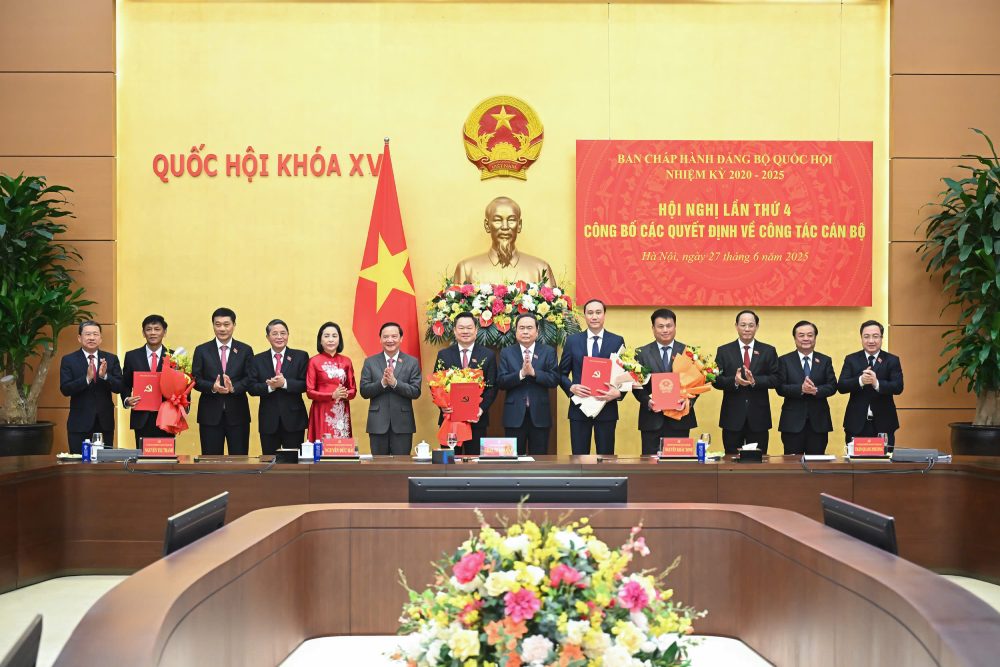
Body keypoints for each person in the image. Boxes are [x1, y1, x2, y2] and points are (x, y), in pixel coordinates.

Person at [558, 299, 625, 455]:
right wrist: (571, 387)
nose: (594, 317)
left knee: (606, 458)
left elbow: (624, 374)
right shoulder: (572, 341)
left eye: (598, 312)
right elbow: (560, 373)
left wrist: (619, 393)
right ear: (585, 316)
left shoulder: (617, 341)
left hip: (606, 408)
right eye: (590, 313)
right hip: (579, 408)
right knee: (579, 458)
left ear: (604, 315)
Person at [632, 308, 699, 456]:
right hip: (652, 420)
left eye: (669, 326)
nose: (665, 330)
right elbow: (636, 386)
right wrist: (647, 401)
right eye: (660, 326)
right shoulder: (641, 353)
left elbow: (696, 384)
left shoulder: (688, 352)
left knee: (678, 464)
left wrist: (688, 402)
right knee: (650, 464)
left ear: (675, 327)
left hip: (680, 419)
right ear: (653, 328)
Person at [713, 310, 779, 454]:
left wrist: (755, 381)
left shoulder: (768, 350)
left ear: (757, 327)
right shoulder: (724, 351)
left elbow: (776, 378)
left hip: (759, 418)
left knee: (758, 461)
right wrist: (734, 381)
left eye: (751, 325)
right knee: (730, 460)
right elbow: (715, 380)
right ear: (736, 326)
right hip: (732, 418)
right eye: (743, 325)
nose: (747, 329)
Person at [452, 196, 557, 285]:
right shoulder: (466, 269)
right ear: (487, 225)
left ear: (519, 225)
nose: (505, 227)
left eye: (511, 220)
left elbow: (555, 303)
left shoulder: (540, 269)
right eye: (497, 220)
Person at [192, 307, 254, 455]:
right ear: (213, 325)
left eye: (226, 324)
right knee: (211, 460)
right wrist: (212, 387)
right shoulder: (202, 350)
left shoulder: (245, 350)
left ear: (234, 325)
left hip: (238, 415)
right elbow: (195, 379)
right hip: (210, 415)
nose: (222, 328)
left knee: (239, 460)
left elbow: (250, 378)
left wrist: (234, 388)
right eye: (218, 324)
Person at [433, 312, 497, 455]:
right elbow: (436, 385)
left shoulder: (488, 355)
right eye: (461, 328)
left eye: (469, 328)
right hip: (450, 420)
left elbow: (492, 387)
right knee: (448, 462)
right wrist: (443, 407)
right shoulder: (444, 355)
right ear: (455, 331)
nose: (465, 331)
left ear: (476, 330)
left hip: (476, 421)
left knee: (475, 462)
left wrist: (481, 409)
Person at [497, 313, 560, 455]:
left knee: (539, 461)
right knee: (512, 460)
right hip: (513, 416)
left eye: (529, 328)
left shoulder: (548, 351)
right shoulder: (506, 352)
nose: (525, 331)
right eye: (522, 328)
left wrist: (534, 373)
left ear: (537, 332)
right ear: (516, 331)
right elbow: (501, 381)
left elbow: (554, 379)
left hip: (540, 416)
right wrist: (521, 374)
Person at [838, 320, 904, 451]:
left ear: (881, 338)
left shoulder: (892, 360)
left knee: (883, 461)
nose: (871, 341)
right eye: (866, 336)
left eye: (875, 336)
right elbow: (841, 386)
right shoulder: (851, 359)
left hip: (884, 424)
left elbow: (898, 387)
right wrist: (860, 381)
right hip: (856, 424)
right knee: (856, 462)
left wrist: (876, 383)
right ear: (861, 338)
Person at [59, 320, 123, 454]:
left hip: (104, 423)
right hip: (79, 423)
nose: (92, 338)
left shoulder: (111, 359)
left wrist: (105, 376)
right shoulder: (69, 360)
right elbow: (65, 389)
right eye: (88, 334)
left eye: (95, 334)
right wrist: (86, 379)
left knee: (104, 463)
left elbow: (119, 387)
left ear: (101, 338)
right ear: (79, 338)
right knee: (79, 462)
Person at [775, 320, 837, 455]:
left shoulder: (825, 360)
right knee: (792, 464)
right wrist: (801, 389)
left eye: (810, 335)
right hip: (792, 423)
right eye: (801, 335)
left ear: (815, 337)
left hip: (819, 423)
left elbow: (832, 386)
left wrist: (816, 390)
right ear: (795, 338)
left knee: (817, 463)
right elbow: (780, 387)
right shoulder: (784, 360)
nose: (806, 338)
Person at [247, 319, 309, 454]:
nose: (279, 337)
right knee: (269, 461)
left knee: (293, 462)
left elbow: (306, 384)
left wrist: (284, 383)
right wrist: (270, 387)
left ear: (288, 335)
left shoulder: (300, 356)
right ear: (268, 337)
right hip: (268, 421)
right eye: (275, 333)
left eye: (283, 333)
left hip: (294, 420)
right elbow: (251, 387)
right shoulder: (257, 360)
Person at [359, 322, 422, 455]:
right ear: (380, 339)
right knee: (379, 465)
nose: (390, 340)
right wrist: (382, 383)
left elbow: (416, 391)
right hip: (377, 423)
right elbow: (364, 391)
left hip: (403, 424)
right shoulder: (370, 362)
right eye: (386, 337)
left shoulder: (412, 362)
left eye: (394, 336)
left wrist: (395, 383)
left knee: (401, 464)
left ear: (401, 338)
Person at [121, 314, 175, 448]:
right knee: (143, 457)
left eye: (157, 329)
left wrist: (180, 405)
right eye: (148, 329)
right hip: (141, 418)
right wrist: (127, 400)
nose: (153, 333)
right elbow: (125, 383)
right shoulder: (132, 356)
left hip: (167, 418)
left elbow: (183, 385)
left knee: (165, 457)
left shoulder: (175, 357)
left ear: (164, 332)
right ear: (143, 333)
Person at [305, 321, 357, 442]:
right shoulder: (314, 361)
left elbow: (353, 390)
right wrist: (332, 395)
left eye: (334, 336)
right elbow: (309, 392)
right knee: (322, 446)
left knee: (341, 447)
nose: (331, 339)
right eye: (326, 336)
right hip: (321, 410)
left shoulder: (346, 361)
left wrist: (343, 394)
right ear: (320, 340)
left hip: (341, 410)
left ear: (339, 339)